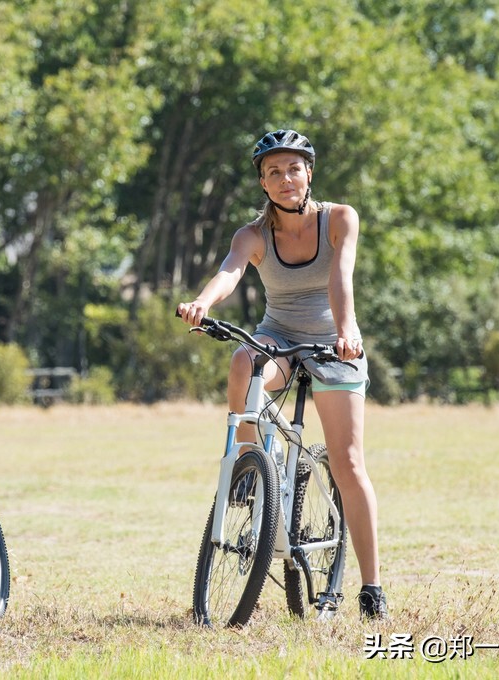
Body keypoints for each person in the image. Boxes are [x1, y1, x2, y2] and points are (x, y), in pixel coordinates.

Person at [177, 129, 388, 620]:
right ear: (263, 184)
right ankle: (251, 463)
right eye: (274, 172)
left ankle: (372, 589)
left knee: (349, 464)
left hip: (334, 340)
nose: (285, 178)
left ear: (309, 174)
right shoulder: (251, 235)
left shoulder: (339, 218)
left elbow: (341, 277)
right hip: (279, 334)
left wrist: (347, 328)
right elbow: (230, 271)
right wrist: (202, 303)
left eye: (294, 168)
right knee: (242, 361)